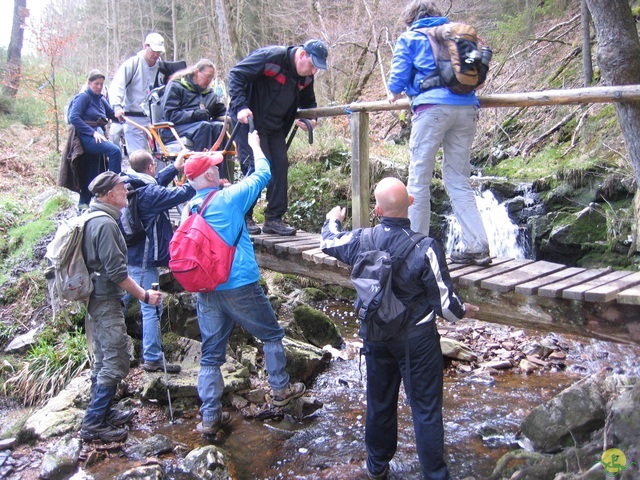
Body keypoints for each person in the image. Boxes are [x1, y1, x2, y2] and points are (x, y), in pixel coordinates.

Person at [320, 177, 479, 480]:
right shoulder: (426, 247)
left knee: (379, 404)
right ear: (411, 203)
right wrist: (464, 311)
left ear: (377, 209)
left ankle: (377, 467)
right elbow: (446, 307)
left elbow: (328, 241)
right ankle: (434, 474)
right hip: (416, 340)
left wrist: (332, 219)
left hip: (375, 336)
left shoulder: (360, 239)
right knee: (426, 409)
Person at [184, 131, 306, 439]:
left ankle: (210, 417)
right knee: (272, 334)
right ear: (210, 174)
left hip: (206, 288)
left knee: (211, 353)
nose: (218, 169)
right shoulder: (227, 198)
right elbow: (264, 172)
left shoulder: (189, 208)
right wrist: (255, 145)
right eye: (215, 167)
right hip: (239, 284)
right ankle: (280, 389)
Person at [387, 0, 491, 266]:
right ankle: (477, 245)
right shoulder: (455, 36)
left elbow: (396, 84)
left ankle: (416, 249)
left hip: (431, 110)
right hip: (466, 109)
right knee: (458, 178)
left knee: (419, 180)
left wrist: (395, 93)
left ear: (410, 19)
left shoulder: (410, 38)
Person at [80, 171, 163, 443]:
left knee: (104, 357)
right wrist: (145, 296)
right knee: (115, 360)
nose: (126, 191)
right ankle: (93, 423)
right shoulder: (104, 224)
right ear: (108, 195)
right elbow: (117, 272)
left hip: (101, 298)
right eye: (121, 188)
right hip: (105, 301)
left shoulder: (99, 218)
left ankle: (104, 412)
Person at [228, 39, 328, 236]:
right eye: (312, 65)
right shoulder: (272, 57)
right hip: (250, 121)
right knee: (255, 166)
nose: (313, 72)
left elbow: (309, 102)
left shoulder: (305, 77)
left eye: (317, 68)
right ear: (301, 55)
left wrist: (312, 119)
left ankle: (274, 218)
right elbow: (236, 74)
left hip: (275, 127)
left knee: (280, 165)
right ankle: (243, 216)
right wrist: (240, 106)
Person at [123, 149, 196, 373]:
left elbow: (156, 184)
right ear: (151, 167)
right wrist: (199, 172)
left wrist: (175, 166)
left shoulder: (129, 182)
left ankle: (104, 345)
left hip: (128, 256)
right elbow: (182, 194)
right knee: (151, 307)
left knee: (120, 301)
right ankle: (153, 357)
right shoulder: (149, 194)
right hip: (145, 262)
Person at [67, 70, 122, 207]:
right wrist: (92, 133)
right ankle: (113, 185)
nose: (99, 87)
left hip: (98, 136)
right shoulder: (83, 97)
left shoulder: (101, 99)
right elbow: (74, 117)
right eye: (96, 84)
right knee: (115, 151)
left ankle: (84, 203)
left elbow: (112, 115)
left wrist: (121, 114)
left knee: (92, 170)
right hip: (85, 137)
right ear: (89, 83)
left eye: (101, 84)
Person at [110, 32, 166, 154]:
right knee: (138, 157)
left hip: (155, 118)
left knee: (161, 155)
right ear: (145, 46)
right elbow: (117, 84)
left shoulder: (162, 67)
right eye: (153, 51)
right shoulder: (133, 64)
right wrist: (117, 106)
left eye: (159, 52)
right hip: (134, 117)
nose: (156, 55)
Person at [160, 59, 227, 153]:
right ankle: (200, 165)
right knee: (204, 126)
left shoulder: (209, 93)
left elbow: (221, 111)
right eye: (207, 76)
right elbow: (170, 115)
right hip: (173, 129)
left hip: (198, 128)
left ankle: (219, 165)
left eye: (211, 78)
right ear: (196, 72)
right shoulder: (176, 86)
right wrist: (193, 115)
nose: (209, 81)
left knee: (219, 127)